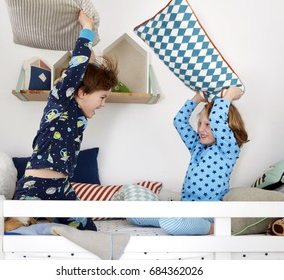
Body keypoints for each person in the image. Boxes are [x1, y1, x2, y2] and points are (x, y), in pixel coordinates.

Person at [13, 11, 119, 231]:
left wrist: (93, 58)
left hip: (62, 188)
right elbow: (77, 68)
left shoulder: (80, 115)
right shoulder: (61, 102)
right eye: (102, 97)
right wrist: (87, 28)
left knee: (88, 230)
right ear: (81, 93)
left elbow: (86, 68)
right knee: (16, 230)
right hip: (35, 186)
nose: (103, 104)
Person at [127, 87, 249, 235]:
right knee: (134, 214)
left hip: (208, 212)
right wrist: (197, 98)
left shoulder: (228, 149)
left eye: (207, 125)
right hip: (185, 208)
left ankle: (211, 228)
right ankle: (182, 221)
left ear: (226, 125)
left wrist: (228, 96)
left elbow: (217, 120)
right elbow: (179, 121)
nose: (200, 129)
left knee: (171, 222)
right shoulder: (197, 146)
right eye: (199, 124)